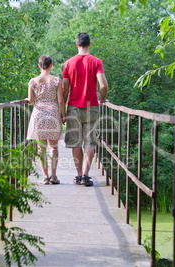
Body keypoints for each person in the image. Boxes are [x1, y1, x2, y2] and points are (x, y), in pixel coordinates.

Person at [62, 32, 108, 186]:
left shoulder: (68, 63)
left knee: (75, 143)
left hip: (74, 107)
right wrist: (102, 98)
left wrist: (63, 110)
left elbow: (65, 89)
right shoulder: (96, 62)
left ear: (77, 44)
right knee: (90, 142)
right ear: (90, 44)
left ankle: (79, 175)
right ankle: (86, 176)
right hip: (92, 107)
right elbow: (103, 85)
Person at [26, 55, 66, 185]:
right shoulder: (56, 81)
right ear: (51, 65)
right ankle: (54, 176)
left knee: (41, 148)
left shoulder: (33, 82)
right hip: (53, 115)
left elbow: (31, 101)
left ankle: (45, 176)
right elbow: (60, 101)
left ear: (39, 66)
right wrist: (63, 115)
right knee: (53, 148)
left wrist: (27, 100)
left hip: (39, 116)